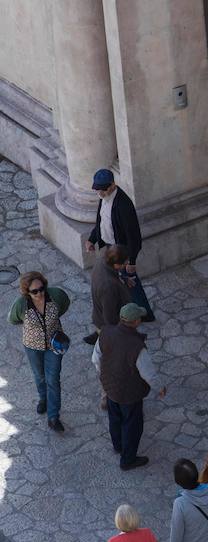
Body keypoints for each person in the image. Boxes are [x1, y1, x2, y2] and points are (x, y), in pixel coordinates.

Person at [92, 303, 166, 470]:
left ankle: (118, 446)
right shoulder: (136, 346)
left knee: (115, 419)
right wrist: (160, 387)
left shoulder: (106, 332)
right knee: (132, 426)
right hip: (129, 393)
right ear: (135, 321)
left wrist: (105, 376)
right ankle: (128, 460)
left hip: (110, 388)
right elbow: (148, 373)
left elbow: (96, 359)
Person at [85, 168, 154, 323]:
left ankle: (144, 314)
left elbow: (134, 236)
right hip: (109, 248)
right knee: (117, 282)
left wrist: (132, 261)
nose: (99, 193)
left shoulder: (124, 205)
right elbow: (101, 223)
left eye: (102, 189)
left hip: (122, 252)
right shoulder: (104, 198)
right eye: (97, 189)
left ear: (112, 185)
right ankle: (124, 312)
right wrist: (92, 239)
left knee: (131, 283)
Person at [7, 272, 71, 431]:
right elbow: (12, 319)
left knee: (53, 379)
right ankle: (43, 399)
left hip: (54, 345)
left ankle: (53, 417)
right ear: (26, 292)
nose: (39, 293)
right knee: (40, 376)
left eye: (41, 288)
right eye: (34, 291)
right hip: (32, 347)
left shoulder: (55, 296)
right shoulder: (21, 305)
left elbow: (64, 305)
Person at [85, 244, 131, 347]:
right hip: (107, 324)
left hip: (99, 316)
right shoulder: (108, 286)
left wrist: (124, 279)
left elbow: (114, 275)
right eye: (124, 262)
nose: (127, 263)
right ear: (116, 265)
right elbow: (109, 315)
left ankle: (98, 336)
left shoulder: (102, 261)